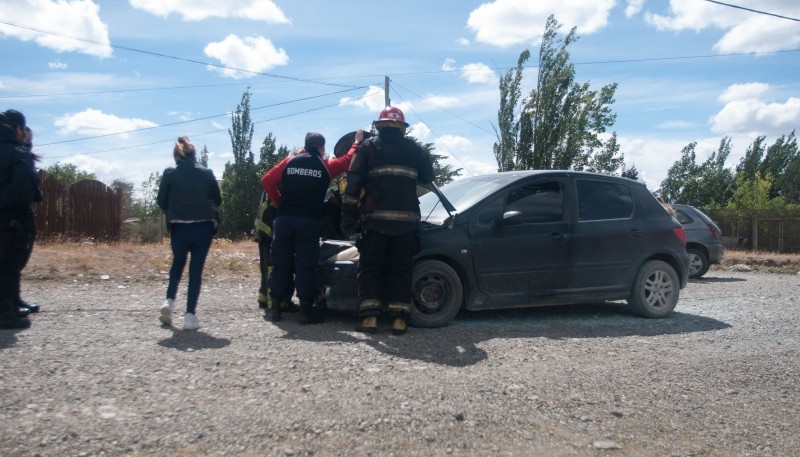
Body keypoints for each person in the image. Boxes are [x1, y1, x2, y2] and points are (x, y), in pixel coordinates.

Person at [340, 107, 434, 335]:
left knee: (371, 268)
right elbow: (428, 177)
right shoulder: (414, 149)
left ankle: (369, 318)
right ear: (402, 127)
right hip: (406, 224)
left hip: (375, 223)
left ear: (379, 125)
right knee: (401, 269)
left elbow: (353, 184)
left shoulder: (367, 148)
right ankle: (399, 320)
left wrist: (347, 216)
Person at [262, 130, 362, 323]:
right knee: (305, 263)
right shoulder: (324, 165)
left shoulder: (289, 161)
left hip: (283, 221)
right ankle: (307, 312)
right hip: (307, 222)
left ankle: (277, 309)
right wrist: (357, 142)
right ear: (321, 148)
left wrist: (278, 202)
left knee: (280, 262)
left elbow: (267, 180)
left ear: (306, 145)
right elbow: (347, 160)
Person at [157, 136, 222, 330]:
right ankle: (189, 316)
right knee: (196, 270)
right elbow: (217, 200)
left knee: (177, 264)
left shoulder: (170, 173)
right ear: (195, 154)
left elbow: (161, 200)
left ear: (177, 156)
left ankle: (169, 301)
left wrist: (175, 208)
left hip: (179, 227)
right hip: (203, 228)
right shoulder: (207, 172)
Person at [0, 110, 42, 329]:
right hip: (13, 216)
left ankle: (13, 303)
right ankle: (6, 312)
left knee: (9, 264)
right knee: (10, 264)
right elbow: (22, 188)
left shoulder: (15, 150)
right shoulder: (17, 153)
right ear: (17, 129)